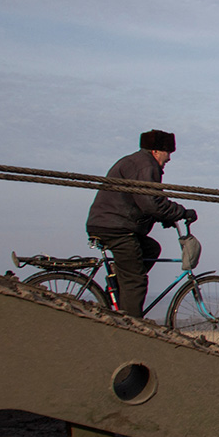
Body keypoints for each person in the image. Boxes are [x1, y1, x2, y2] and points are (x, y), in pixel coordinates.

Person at [86, 129, 196, 318]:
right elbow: (150, 203)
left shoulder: (137, 162)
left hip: (110, 223)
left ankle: (117, 287)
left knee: (151, 249)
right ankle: (131, 327)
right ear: (156, 151)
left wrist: (164, 217)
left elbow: (140, 200)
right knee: (135, 280)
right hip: (116, 228)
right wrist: (180, 212)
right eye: (167, 153)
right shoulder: (146, 166)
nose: (169, 158)